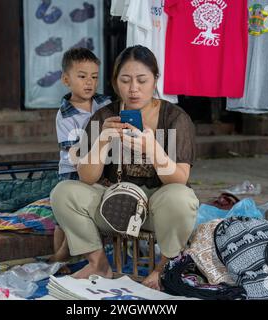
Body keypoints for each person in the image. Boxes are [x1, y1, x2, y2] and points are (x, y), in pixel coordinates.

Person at [51, 45, 199, 290]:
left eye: (142, 80)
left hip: (156, 208)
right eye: (125, 80)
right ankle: (99, 263)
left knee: (181, 197)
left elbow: (180, 178)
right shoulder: (104, 117)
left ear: (155, 80)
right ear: (115, 82)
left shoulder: (175, 118)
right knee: (64, 192)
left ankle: (163, 268)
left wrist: (152, 149)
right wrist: (103, 140)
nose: (133, 89)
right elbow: (86, 178)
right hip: (113, 207)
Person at [49, 48, 112, 266]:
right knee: (62, 217)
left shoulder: (104, 104)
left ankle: (72, 252)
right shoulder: (66, 115)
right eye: (82, 76)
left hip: (99, 165)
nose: (89, 83)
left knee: (86, 209)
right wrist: (89, 171)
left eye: (94, 77)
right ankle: (60, 255)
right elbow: (73, 152)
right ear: (66, 80)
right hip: (72, 168)